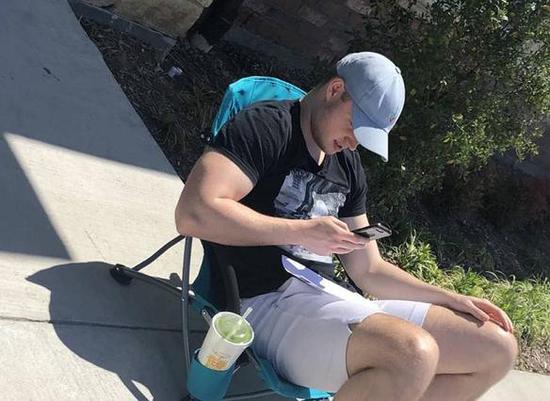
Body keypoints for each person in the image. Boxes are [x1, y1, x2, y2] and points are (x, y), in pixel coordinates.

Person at [175, 52, 518, 401]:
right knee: (413, 353)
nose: (355, 143)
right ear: (336, 89)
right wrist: (301, 232)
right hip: (264, 301)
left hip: (331, 299)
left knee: (496, 347)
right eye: (356, 127)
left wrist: (452, 298)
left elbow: (369, 270)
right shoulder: (267, 127)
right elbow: (192, 213)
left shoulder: (347, 165)